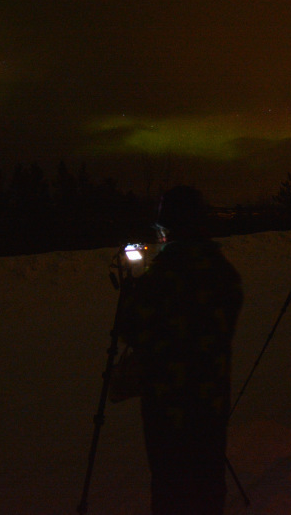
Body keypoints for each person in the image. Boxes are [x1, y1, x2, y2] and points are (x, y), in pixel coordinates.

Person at [118, 185, 243, 515]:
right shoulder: (222, 270)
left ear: (165, 229)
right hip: (211, 393)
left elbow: (131, 329)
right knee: (207, 472)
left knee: (170, 478)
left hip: (167, 397)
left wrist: (132, 285)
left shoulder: (163, 276)